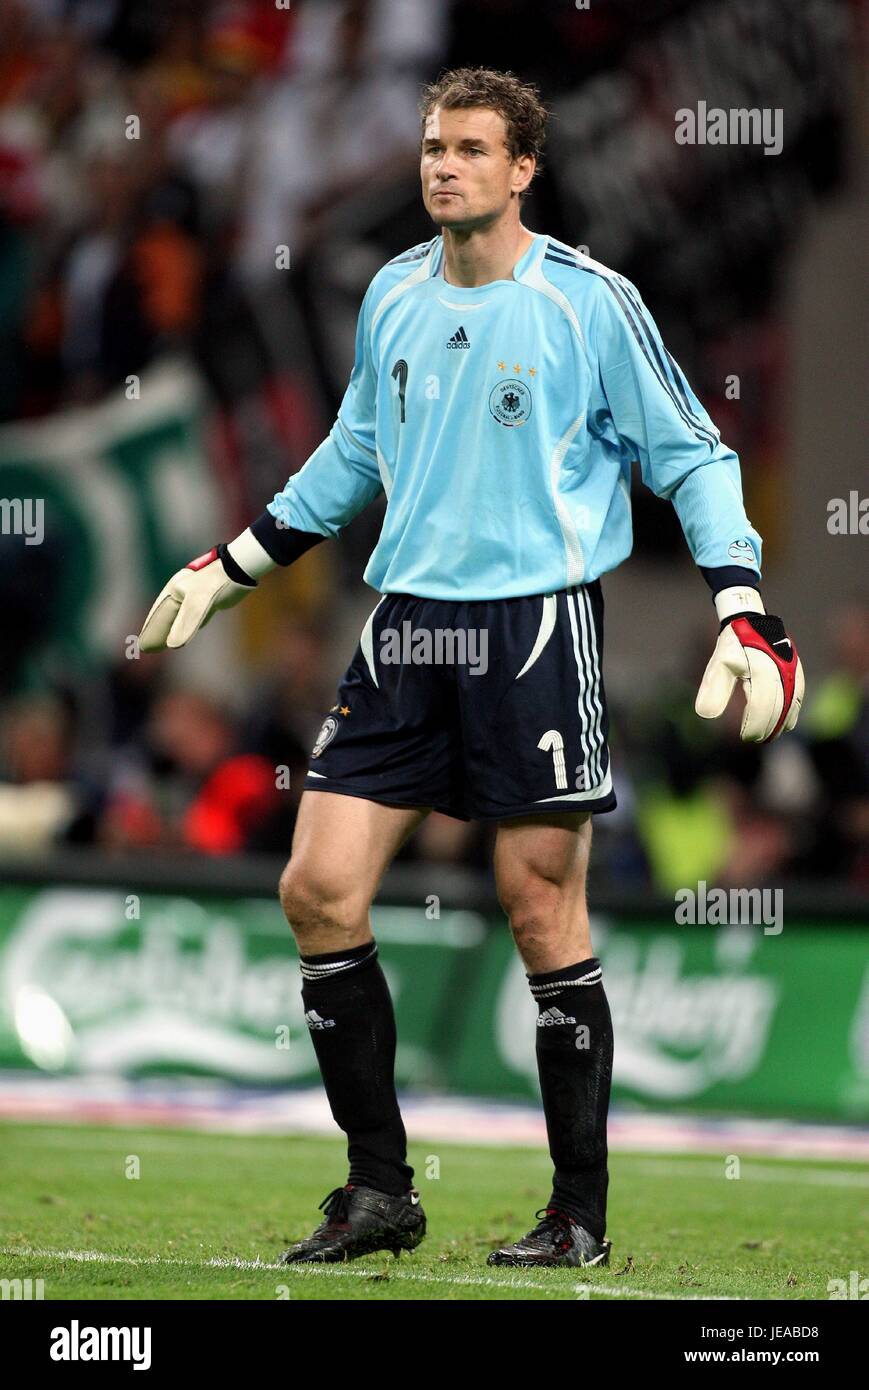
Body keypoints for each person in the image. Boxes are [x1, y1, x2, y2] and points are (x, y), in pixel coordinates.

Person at [138, 66, 804, 1269]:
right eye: (432, 146)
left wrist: (743, 613)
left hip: (533, 632)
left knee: (540, 909)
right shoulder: (391, 293)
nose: (442, 165)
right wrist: (228, 565)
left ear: (522, 168)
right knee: (316, 889)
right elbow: (350, 456)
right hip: (402, 629)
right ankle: (379, 1188)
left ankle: (578, 1214)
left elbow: (694, 457)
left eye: (469, 149)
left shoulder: (587, 303)